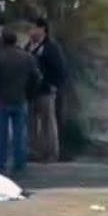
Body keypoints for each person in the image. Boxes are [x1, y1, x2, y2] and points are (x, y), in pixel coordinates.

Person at [0, 29, 41, 175]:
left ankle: (0, 165)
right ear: (16, 41)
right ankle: (19, 165)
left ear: (2, 41)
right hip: (20, 99)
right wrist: (29, 93)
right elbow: (37, 77)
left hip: (1, 99)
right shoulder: (26, 57)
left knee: (1, 135)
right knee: (19, 135)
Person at [27, 17, 67, 162]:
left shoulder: (51, 47)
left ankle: (51, 154)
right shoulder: (29, 46)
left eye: (33, 28)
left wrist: (53, 85)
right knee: (31, 124)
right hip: (30, 92)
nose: (30, 32)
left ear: (42, 29)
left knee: (48, 123)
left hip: (45, 91)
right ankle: (34, 152)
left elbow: (61, 69)